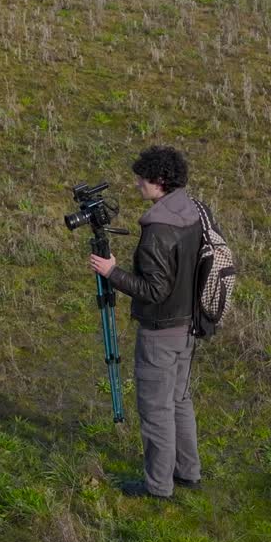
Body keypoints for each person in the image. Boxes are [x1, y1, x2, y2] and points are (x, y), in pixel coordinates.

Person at [88, 145, 203, 499]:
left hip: (159, 332)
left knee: (156, 411)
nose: (137, 184)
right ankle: (188, 472)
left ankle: (157, 487)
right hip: (188, 326)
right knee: (180, 400)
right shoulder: (193, 211)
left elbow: (153, 290)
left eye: (142, 179)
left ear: (159, 181)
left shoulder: (157, 229)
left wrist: (112, 273)